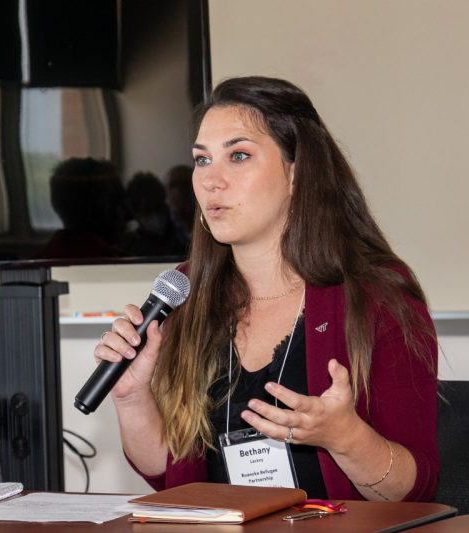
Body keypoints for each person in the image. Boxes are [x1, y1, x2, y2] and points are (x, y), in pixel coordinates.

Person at [95, 76, 437, 502]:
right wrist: (132, 398)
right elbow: (169, 474)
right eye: (201, 160)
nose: (210, 180)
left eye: (238, 156)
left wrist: (346, 437)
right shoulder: (186, 293)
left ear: (297, 174)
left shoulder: (377, 295)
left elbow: (414, 491)